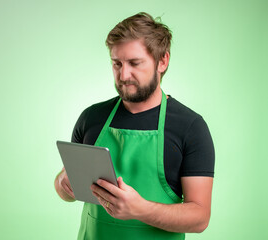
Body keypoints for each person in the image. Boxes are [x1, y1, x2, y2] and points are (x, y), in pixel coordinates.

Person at [54, 12, 215, 240]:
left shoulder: (190, 127)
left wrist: (140, 209)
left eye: (134, 63)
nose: (123, 74)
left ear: (162, 61)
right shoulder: (91, 118)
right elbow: (65, 187)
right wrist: (63, 184)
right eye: (116, 63)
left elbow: (200, 217)